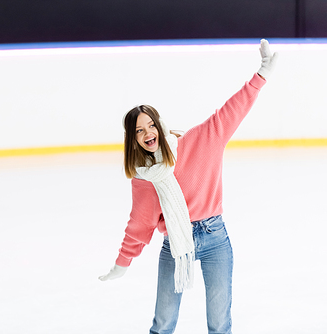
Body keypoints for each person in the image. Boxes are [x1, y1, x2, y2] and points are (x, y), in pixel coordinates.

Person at [99, 39, 278, 334]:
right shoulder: (144, 177)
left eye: (150, 125)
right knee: (163, 322)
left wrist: (260, 77)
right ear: (132, 139)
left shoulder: (199, 142)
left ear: (160, 125)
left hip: (215, 238)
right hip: (175, 245)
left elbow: (230, 111)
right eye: (139, 130)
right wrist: (123, 262)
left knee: (220, 324)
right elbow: (140, 224)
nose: (147, 133)